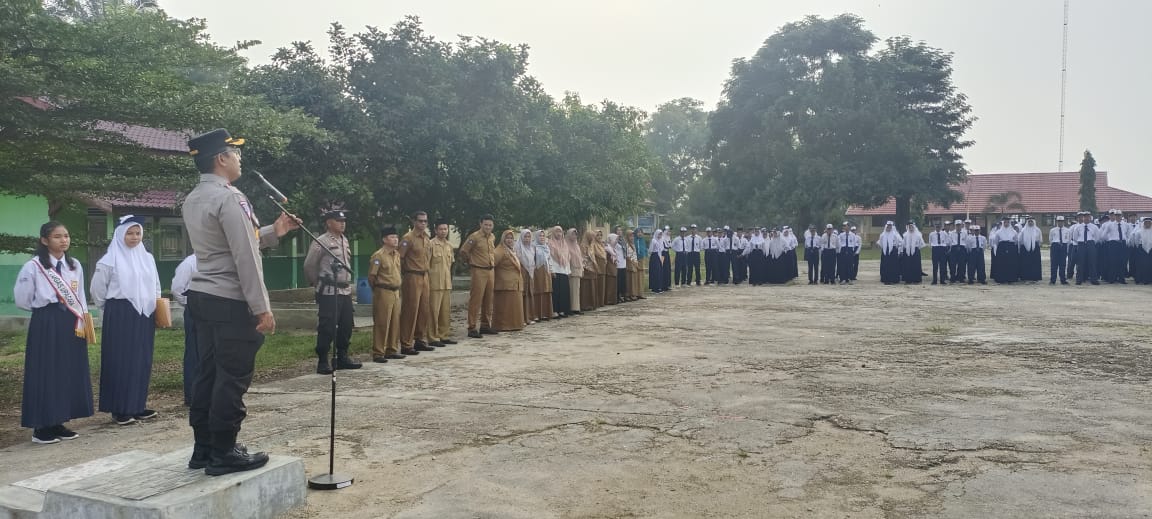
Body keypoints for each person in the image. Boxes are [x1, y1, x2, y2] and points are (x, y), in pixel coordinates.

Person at [182, 128, 300, 475]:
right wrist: (261, 307)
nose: (239, 158)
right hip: (230, 299)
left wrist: (274, 232)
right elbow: (244, 256)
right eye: (235, 152)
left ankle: (203, 448)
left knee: (208, 373)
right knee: (232, 377)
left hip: (203, 296)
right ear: (221, 159)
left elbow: (230, 244)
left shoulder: (194, 197)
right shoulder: (230, 198)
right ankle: (224, 452)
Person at [14, 222, 93, 445]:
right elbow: (22, 298)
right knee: (46, 369)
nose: (63, 240)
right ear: (44, 240)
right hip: (46, 320)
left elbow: (80, 296)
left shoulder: (74, 264)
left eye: (66, 236)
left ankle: (59, 419)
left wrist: (84, 320)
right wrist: (46, 310)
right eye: (57, 236)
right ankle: (41, 426)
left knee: (67, 370)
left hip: (71, 320)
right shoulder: (34, 266)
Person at [91, 215, 161, 425]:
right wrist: (110, 309)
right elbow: (97, 290)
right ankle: (120, 408)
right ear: (120, 235)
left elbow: (155, 284)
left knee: (141, 358)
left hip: (144, 313)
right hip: (120, 312)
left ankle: (137, 405)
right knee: (120, 359)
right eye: (130, 233)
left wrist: (154, 304)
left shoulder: (147, 258)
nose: (134, 237)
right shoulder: (108, 260)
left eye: (138, 233)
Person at [303, 209, 363, 374]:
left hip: (345, 289)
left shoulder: (344, 240)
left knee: (346, 325)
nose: (343, 223)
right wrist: (317, 283)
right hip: (329, 290)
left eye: (344, 220)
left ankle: (342, 357)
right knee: (327, 326)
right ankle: (322, 360)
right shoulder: (320, 241)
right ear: (329, 223)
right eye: (338, 220)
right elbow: (309, 265)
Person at [397, 211, 435, 353]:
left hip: (425, 275)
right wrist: (401, 275)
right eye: (420, 221)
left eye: (425, 221)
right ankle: (406, 343)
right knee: (410, 309)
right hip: (412, 275)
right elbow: (399, 257)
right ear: (414, 222)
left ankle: (420, 339)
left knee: (424, 309)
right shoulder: (408, 238)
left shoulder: (426, 237)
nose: (423, 224)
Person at [369, 228, 405, 363]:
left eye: (396, 237)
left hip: (395, 291)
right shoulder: (378, 256)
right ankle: (378, 352)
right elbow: (372, 276)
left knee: (395, 322)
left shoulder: (396, 254)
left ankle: (392, 349)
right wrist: (378, 290)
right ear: (384, 239)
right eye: (392, 237)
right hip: (383, 291)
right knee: (382, 322)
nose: (395, 239)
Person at [459, 215, 497, 338]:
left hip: (490, 270)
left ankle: (485, 325)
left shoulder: (492, 237)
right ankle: (472, 327)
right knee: (476, 299)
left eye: (490, 225)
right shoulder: (474, 237)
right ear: (480, 224)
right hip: (478, 270)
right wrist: (471, 261)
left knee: (488, 299)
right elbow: (464, 251)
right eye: (485, 224)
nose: (488, 227)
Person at [171, 253, 199, 406]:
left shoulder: (219, 258)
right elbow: (177, 289)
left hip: (217, 310)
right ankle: (192, 395)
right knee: (194, 352)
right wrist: (191, 303)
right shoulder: (189, 262)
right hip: (195, 309)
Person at [428, 219, 456, 346]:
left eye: (445, 229)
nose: (443, 231)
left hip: (446, 283)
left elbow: (450, 265)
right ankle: (433, 337)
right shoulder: (430, 244)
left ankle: (444, 335)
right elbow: (426, 265)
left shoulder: (449, 246)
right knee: (433, 312)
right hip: (434, 284)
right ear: (435, 230)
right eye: (441, 229)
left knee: (445, 312)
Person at [493, 230, 525, 331]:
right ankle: (503, 325)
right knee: (505, 306)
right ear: (503, 239)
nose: (509, 240)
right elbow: (492, 265)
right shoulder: (499, 250)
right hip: (504, 283)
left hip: (515, 282)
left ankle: (514, 325)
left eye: (511, 238)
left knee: (514, 305)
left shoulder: (511, 250)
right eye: (507, 238)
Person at [547, 227, 572, 317]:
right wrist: (551, 270)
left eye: (560, 232)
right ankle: (555, 310)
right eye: (557, 231)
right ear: (553, 233)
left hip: (564, 271)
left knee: (564, 292)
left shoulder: (564, 244)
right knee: (556, 292)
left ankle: (562, 310)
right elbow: (549, 258)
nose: (559, 234)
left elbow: (567, 259)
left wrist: (568, 271)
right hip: (555, 271)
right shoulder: (550, 244)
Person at [1070, 211, 1100, 285]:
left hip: (1090, 244)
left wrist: (1091, 243)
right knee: (1080, 263)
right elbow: (1075, 238)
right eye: (1085, 217)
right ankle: (1079, 280)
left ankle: (1094, 280)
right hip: (1081, 244)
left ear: (1090, 218)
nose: (1086, 218)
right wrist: (1081, 243)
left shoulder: (1094, 227)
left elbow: (1097, 237)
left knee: (1092, 263)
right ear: (1082, 218)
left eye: (1088, 217)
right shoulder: (1078, 227)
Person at [514, 229, 537, 325]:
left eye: (529, 237)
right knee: (522, 294)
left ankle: (529, 317)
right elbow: (517, 261)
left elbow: (533, 261)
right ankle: (521, 318)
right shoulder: (518, 248)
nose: (527, 239)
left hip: (530, 273)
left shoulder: (532, 248)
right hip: (522, 272)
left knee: (529, 294)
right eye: (525, 237)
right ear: (521, 237)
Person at [532, 229, 556, 319]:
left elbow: (549, 260)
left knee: (546, 290)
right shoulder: (534, 247)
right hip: (537, 271)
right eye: (540, 236)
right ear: (536, 237)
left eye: (543, 236)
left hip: (546, 272)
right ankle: (537, 314)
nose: (542, 237)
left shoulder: (546, 247)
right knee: (538, 291)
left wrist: (551, 270)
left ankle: (546, 313)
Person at [990, 217, 1019, 284]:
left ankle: (1011, 278)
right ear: (1003, 223)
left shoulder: (1013, 232)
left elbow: (1016, 241)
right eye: (1005, 222)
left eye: (1007, 222)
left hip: (1011, 248)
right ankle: (1001, 278)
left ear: (1009, 223)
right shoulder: (998, 232)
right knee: (1001, 263)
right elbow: (996, 242)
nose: (1006, 224)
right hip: (1001, 248)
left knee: (1011, 263)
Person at [1017, 218, 1043, 282]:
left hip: (1035, 249)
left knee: (1035, 263)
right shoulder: (1023, 230)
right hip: (1025, 249)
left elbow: (1040, 240)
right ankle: (1025, 277)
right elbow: (1019, 240)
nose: (1030, 223)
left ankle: (1035, 277)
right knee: (1025, 263)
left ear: (1034, 222)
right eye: (1029, 221)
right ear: (1027, 222)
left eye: (1032, 221)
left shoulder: (1037, 230)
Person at [580, 230, 600, 310]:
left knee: (592, 286)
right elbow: (583, 258)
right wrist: (587, 267)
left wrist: (595, 266)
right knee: (586, 288)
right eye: (591, 236)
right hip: (586, 269)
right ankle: (585, 305)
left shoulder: (591, 245)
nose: (592, 238)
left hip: (593, 268)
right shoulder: (583, 246)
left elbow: (593, 257)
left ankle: (592, 304)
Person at [566, 228, 585, 312]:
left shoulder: (576, 245)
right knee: (572, 290)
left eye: (575, 234)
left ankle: (576, 307)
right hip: (571, 269)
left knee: (577, 290)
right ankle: (572, 308)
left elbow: (580, 258)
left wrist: (582, 269)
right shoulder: (566, 245)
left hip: (578, 270)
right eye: (572, 234)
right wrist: (568, 270)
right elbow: (566, 259)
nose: (574, 236)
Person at [1129, 218, 1152, 285]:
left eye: (1149, 223)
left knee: (1149, 265)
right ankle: (1140, 279)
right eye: (1146, 223)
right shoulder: (1139, 232)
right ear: (1144, 223)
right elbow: (1136, 241)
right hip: (1141, 250)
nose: (1148, 224)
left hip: (1150, 250)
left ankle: (1149, 279)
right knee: (1141, 265)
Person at [1049, 215, 1071, 285]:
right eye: (1059, 221)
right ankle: (1053, 280)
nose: (1060, 223)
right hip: (1055, 246)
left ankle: (1063, 280)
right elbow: (1050, 240)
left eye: (1061, 221)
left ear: (1063, 221)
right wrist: (1055, 244)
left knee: (1062, 264)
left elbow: (1069, 240)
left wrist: (1065, 248)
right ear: (1056, 222)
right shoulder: (1052, 230)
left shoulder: (1067, 230)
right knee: (1054, 264)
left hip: (1063, 246)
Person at [648, 229, 666, 293]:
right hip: (654, 256)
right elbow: (650, 250)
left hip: (659, 256)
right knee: (655, 272)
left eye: (661, 234)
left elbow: (662, 249)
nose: (660, 235)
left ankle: (659, 287)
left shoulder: (661, 240)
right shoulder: (653, 240)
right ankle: (654, 288)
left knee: (660, 272)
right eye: (659, 234)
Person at [633, 229, 648, 295]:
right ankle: (636, 292)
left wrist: (646, 257)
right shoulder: (633, 240)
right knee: (636, 276)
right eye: (638, 232)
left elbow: (645, 250)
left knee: (641, 275)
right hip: (635, 259)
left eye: (641, 232)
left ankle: (641, 292)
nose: (639, 233)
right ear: (635, 233)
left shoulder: (643, 240)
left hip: (642, 259)